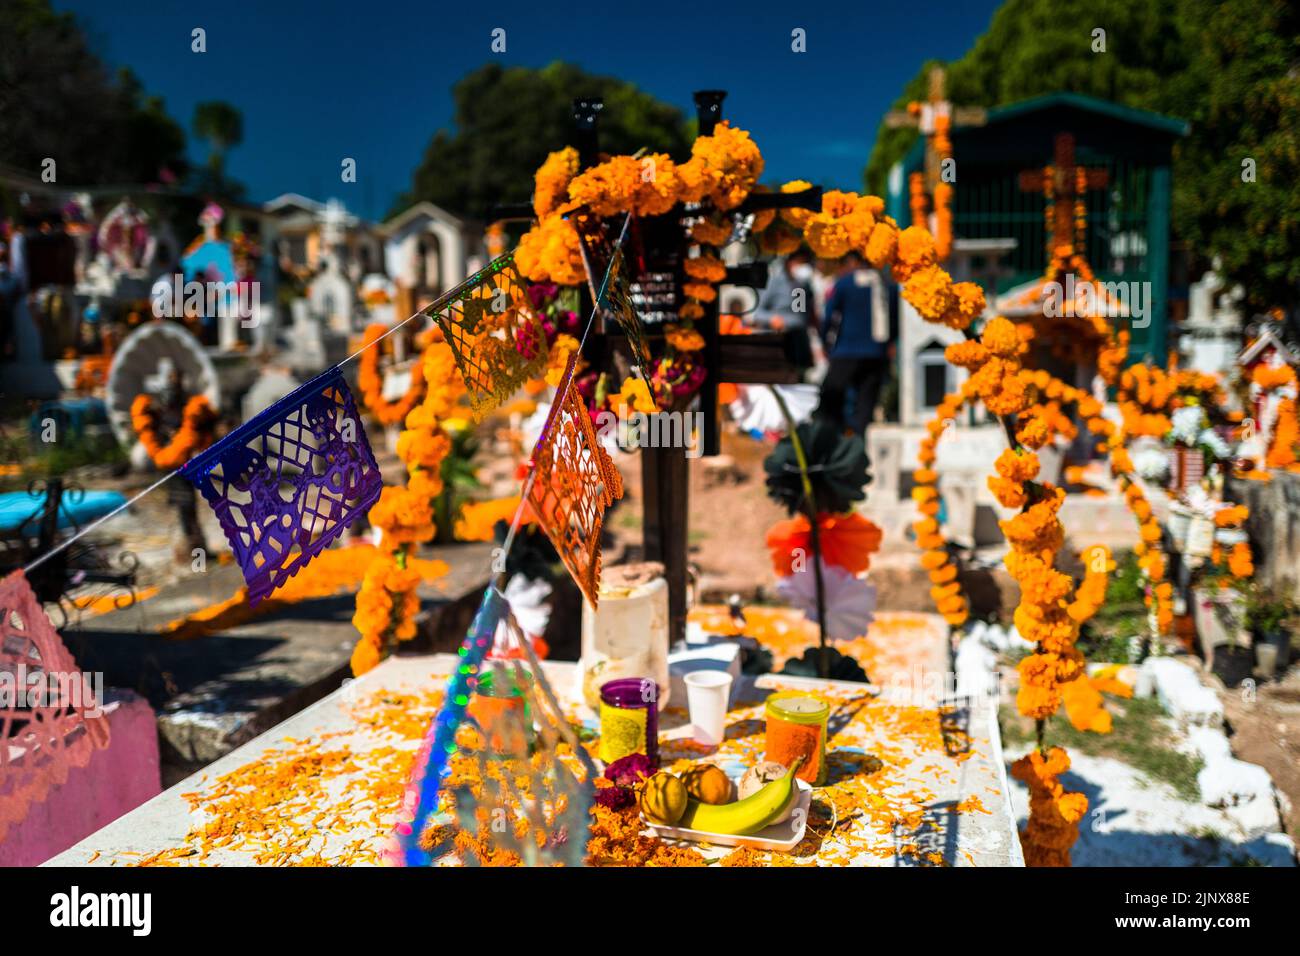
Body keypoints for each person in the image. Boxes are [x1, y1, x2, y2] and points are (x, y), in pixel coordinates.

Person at [815, 250, 894, 436]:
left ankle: (834, 440)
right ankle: (858, 443)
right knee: (865, 403)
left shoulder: (844, 283)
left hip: (846, 351)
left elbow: (829, 316)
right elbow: (894, 320)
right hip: (876, 352)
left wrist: (825, 341)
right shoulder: (887, 285)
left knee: (832, 397)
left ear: (853, 261)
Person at [752, 249, 817, 373]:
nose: (803, 267)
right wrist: (772, 318)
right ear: (789, 263)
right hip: (777, 341)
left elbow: (800, 315)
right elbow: (757, 312)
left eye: (805, 263)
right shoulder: (774, 282)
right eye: (799, 262)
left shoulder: (803, 285)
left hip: (798, 342)